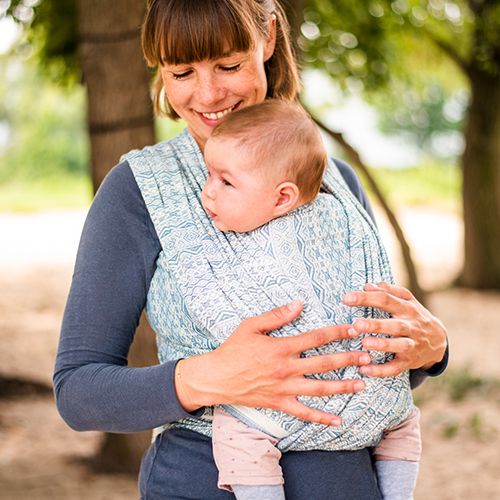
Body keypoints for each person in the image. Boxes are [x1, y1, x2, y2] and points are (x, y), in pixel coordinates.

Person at [53, 1, 448, 498]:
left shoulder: (335, 181)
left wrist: (430, 352)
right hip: (202, 481)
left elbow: (357, 369)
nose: (208, 94)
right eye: (181, 71)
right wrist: (203, 379)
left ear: (267, 38)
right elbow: (78, 392)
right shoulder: (137, 191)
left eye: (228, 65)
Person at [199, 99, 421, 500]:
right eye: (208, 175)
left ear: (282, 198)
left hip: (285, 402)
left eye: (225, 182)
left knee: (236, 432)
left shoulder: (245, 243)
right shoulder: (344, 213)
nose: (207, 192)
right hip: (375, 397)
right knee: (403, 423)